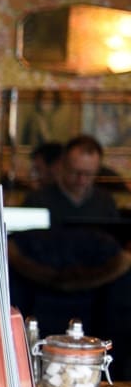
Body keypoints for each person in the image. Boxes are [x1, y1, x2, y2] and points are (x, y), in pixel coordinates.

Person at [11, 134, 131, 341]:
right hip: (41, 293)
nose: (81, 180)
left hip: (97, 298)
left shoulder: (105, 202)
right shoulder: (38, 199)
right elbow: (23, 249)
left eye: (89, 174)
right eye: (76, 172)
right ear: (62, 167)